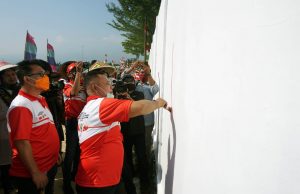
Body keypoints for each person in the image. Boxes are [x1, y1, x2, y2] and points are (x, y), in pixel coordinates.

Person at [75, 68, 168, 194]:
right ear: (94, 86)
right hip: (98, 182)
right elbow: (141, 107)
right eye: (107, 84)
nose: (111, 88)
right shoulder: (101, 105)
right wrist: (158, 103)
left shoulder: (89, 107)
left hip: (100, 178)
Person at [7, 59, 60, 194]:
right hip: (33, 172)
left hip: (49, 164)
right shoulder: (21, 106)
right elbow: (21, 142)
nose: (46, 77)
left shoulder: (40, 99)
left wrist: (54, 154)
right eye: (41, 74)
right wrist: (35, 172)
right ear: (27, 79)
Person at [62, 61, 86, 194]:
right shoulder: (66, 85)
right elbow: (73, 92)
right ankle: (66, 185)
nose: (79, 73)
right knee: (70, 155)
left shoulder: (84, 87)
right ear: (70, 74)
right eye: (75, 71)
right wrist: (78, 75)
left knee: (79, 154)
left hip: (82, 123)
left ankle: (74, 177)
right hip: (71, 122)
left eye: (80, 71)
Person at [0, 61, 19, 194]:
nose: (12, 77)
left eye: (13, 74)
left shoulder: (20, 90)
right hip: (3, 136)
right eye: (8, 75)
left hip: (19, 134)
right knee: (4, 164)